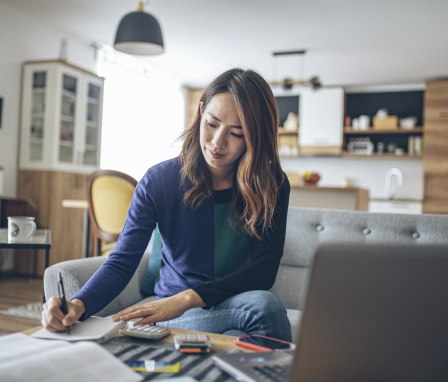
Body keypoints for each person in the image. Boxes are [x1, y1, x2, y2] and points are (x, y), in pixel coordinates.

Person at [42, 68, 292, 341]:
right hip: (178, 313)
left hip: (230, 303)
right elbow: (122, 261)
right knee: (263, 310)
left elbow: (263, 271)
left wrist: (186, 298)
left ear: (256, 137)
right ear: (200, 112)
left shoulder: (272, 184)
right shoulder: (159, 181)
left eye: (237, 133)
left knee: (263, 307)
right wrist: (77, 305)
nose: (218, 142)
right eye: (211, 123)